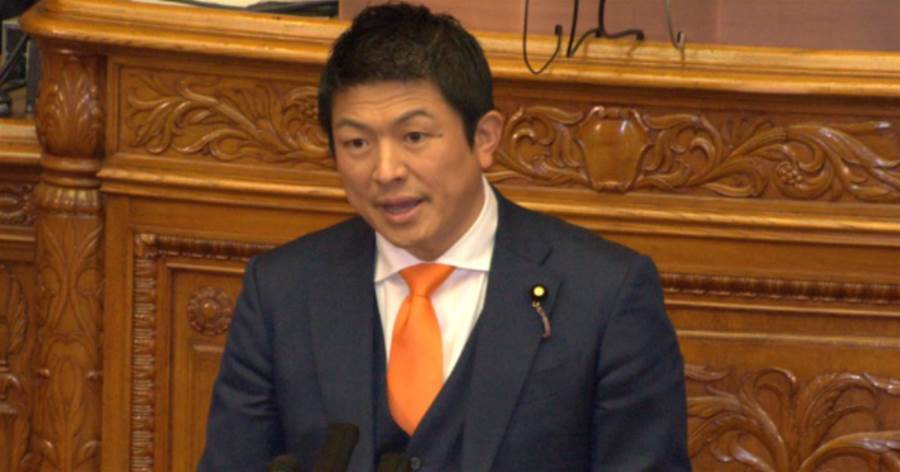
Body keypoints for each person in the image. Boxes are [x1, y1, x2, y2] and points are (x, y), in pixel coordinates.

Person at [200, 3, 690, 471]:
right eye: (357, 143)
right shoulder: (281, 292)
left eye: (414, 137)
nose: (386, 171)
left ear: (484, 138)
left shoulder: (605, 294)